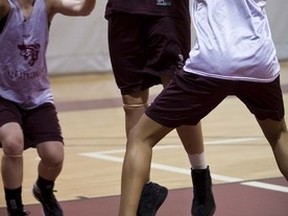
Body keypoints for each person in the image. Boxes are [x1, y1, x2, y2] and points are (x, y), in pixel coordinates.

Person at [118, 0, 288, 215]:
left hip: (213, 62)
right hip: (260, 60)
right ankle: (200, 179)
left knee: (140, 138)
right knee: (279, 135)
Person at [104, 0, 215, 215]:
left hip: (166, 8)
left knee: (178, 93)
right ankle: (143, 191)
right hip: (123, 9)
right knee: (132, 101)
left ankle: (200, 175)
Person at [0, 0, 96, 215]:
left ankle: (44, 189)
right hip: (4, 93)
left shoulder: (48, 4)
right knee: (13, 143)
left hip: (37, 94)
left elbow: (83, 9)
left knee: (54, 156)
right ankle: (15, 207)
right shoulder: (6, 6)